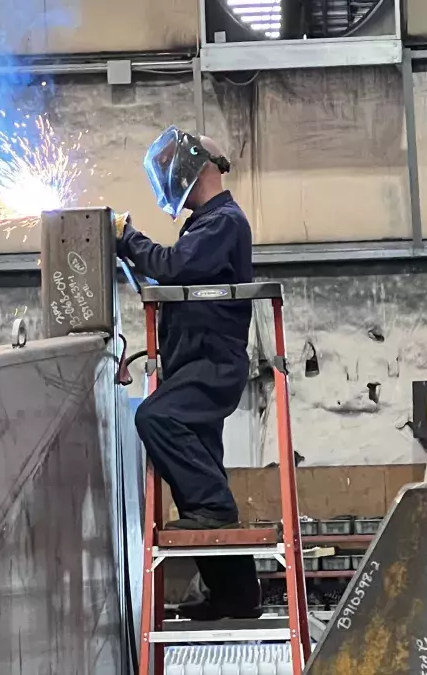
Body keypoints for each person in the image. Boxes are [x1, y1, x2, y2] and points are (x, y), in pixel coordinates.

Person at [116, 126, 261, 621]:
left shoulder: (223, 222)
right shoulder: (205, 223)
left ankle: (217, 516)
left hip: (212, 364)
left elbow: (175, 267)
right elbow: (170, 271)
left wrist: (126, 237)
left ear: (189, 170)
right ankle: (236, 595)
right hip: (194, 361)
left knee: (154, 420)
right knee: (196, 481)